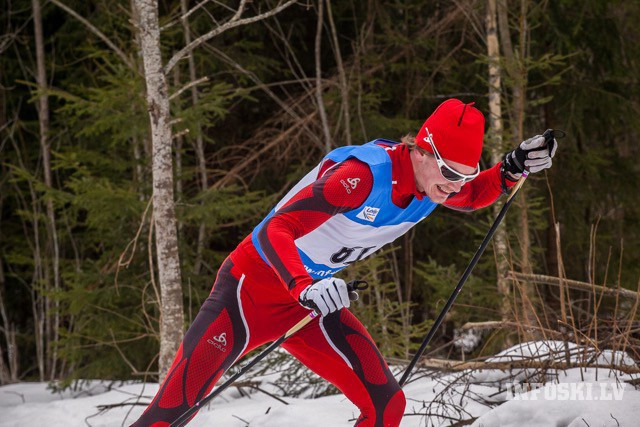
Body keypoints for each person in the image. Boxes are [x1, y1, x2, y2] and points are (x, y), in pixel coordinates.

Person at [131, 98, 557, 427]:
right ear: (422, 150)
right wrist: (303, 285)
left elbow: (475, 194)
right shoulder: (363, 177)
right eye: (449, 171)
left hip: (310, 306)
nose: (455, 185)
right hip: (249, 292)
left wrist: (511, 169)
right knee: (170, 412)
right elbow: (273, 230)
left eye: (464, 174)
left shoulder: (434, 187)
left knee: (386, 405)